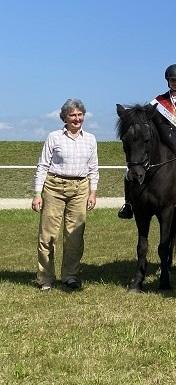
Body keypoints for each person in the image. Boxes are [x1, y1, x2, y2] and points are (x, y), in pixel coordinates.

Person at [118, 64, 176, 220]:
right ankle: (128, 204)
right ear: (168, 81)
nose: (174, 83)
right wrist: (128, 115)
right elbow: (142, 115)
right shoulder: (159, 100)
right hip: (164, 144)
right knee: (128, 172)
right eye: (172, 80)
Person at [31, 99, 99, 291]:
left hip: (80, 189)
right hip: (54, 187)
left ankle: (70, 275)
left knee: (75, 236)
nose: (77, 119)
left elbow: (94, 168)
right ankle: (45, 278)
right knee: (48, 236)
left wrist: (93, 193)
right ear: (65, 117)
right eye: (72, 115)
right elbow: (42, 165)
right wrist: (38, 194)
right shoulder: (54, 137)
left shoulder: (91, 139)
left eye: (79, 115)